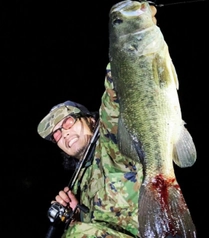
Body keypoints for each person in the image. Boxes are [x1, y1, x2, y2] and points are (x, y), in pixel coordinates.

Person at [37, 4, 157, 238]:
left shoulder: (111, 141)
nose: (64, 133)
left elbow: (116, 94)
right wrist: (75, 214)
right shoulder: (79, 182)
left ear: (90, 120)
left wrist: (132, 29)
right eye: (57, 134)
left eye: (68, 122)